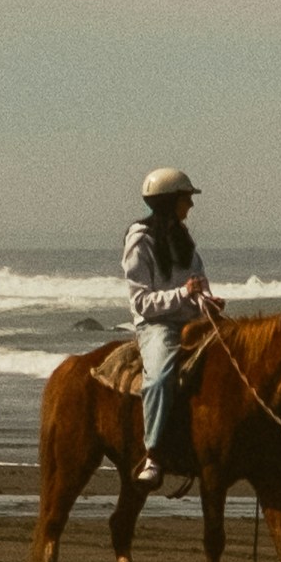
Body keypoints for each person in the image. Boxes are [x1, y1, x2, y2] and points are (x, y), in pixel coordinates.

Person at [120, 167, 219, 474]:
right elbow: (142, 303)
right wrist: (182, 294)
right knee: (160, 377)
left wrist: (208, 302)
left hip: (194, 320)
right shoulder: (140, 241)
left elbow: (198, 283)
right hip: (157, 326)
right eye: (186, 198)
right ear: (169, 201)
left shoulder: (184, 238)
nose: (191, 205)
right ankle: (153, 453)